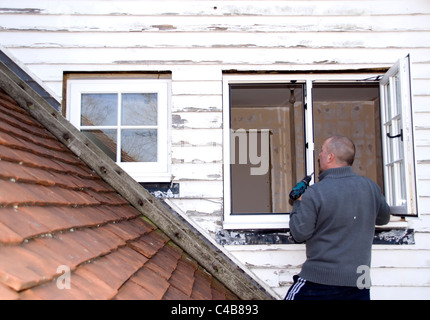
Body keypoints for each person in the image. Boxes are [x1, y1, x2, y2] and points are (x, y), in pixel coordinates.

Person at [285, 135, 391, 300]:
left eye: (321, 151)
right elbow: (383, 218)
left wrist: (298, 203)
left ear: (330, 157)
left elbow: (299, 233)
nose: (319, 155)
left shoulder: (315, 193)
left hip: (319, 282)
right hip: (359, 281)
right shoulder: (371, 187)